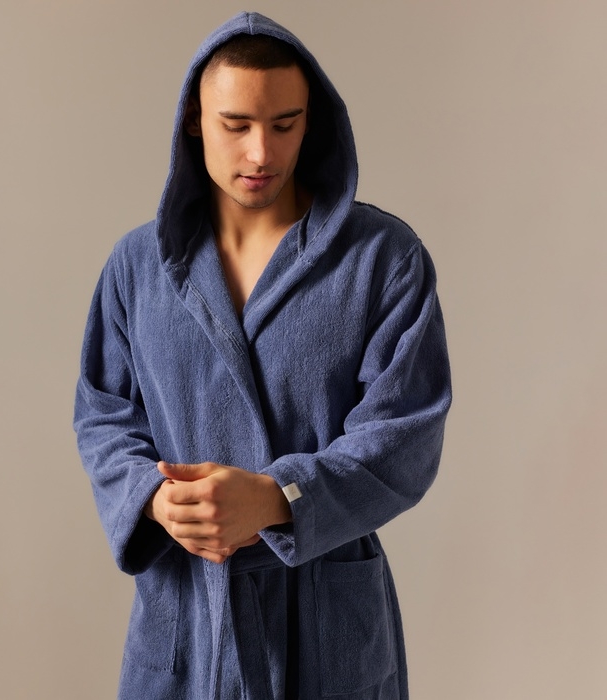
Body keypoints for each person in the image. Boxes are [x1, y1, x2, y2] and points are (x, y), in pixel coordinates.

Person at [74, 11, 451, 700]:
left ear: (312, 122)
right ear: (195, 121)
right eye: (236, 124)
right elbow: (102, 415)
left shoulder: (384, 260)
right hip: (188, 616)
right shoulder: (137, 267)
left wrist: (279, 498)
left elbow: (406, 435)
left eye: (284, 124)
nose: (261, 153)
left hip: (325, 620)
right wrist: (155, 499)